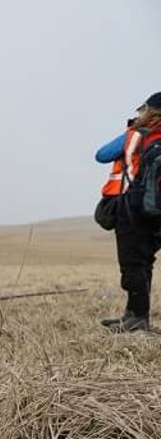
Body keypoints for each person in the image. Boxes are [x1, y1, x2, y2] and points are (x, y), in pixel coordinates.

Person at [97, 94, 161, 333]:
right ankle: (135, 315)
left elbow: (101, 154)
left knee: (132, 263)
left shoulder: (135, 135)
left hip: (132, 206)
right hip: (156, 211)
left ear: (150, 110)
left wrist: (131, 130)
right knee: (145, 262)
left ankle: (136, 318)